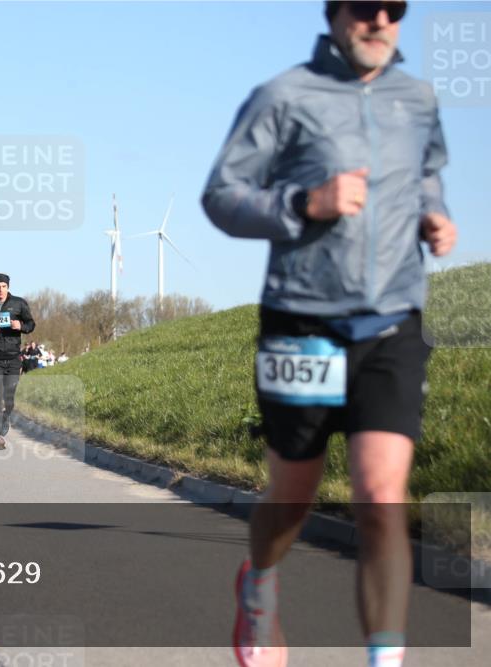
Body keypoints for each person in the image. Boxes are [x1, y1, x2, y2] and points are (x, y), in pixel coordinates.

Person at [201, 3, 457, 666]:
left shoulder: (419, 98)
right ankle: (258, 585)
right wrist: (302, 203)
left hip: (392, 319)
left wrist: (436, 215)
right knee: (293, 494)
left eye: (394, 8)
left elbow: (426, 174)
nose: (379, 19)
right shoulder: (283, 96)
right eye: (364, 6)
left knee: (380, 496)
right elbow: (221, 195)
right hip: (301, 323)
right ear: (334, 13)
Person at [0, 273, 36, 449]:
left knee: (9, 398)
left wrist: (20, 326)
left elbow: (31, 324)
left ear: (8, 287)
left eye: (3, 286)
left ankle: (5, 417)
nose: (0, 290)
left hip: (14, 357)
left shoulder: (19, 303)